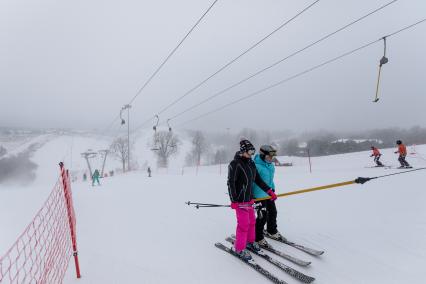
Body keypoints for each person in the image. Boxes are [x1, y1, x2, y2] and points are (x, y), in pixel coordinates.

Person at [227, 139, 276, 261]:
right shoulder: (235, 164)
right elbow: (230, 183)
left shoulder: (251, 163)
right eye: (250, 151)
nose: (251, 154)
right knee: (243, 224)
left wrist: (269, 191)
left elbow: (258, 180)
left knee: (252, 222)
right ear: (243, 151)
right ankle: (239, 248)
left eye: (253, 151)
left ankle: (250, 242)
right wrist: (234, 200)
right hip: (240, 201)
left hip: (249, 200)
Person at [252, 145, 283, 248]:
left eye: (272, 157)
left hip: (268, 194)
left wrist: (272, 189)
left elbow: (270, 180)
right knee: (262, 216)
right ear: (262, 155)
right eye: (269, 157)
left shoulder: (271, 166)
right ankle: (258, 237)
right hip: (258, 196)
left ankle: (271, 230)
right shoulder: (255, 166)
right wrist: (251, 195)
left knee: (273, 212)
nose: (271, 159)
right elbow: (252, 182)